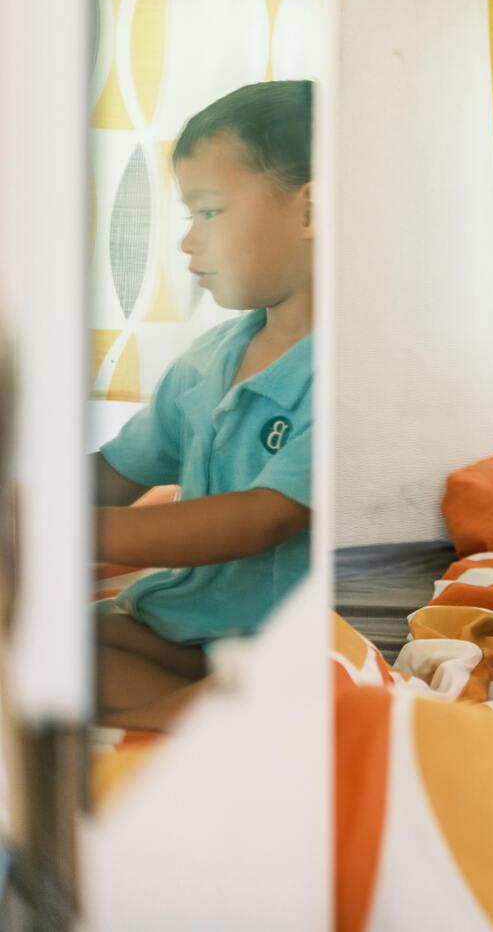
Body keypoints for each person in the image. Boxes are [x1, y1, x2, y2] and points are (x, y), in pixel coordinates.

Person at [94, 81, 316, 729]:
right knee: (41, 637)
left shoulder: (340, 366)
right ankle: (195, 713)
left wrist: (63, 533)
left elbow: (262, 518)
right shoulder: (209, 360)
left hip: (285, 638)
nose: (189, 241)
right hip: (187, 624)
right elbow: (117, 472)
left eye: (209, 212)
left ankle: (207, 724)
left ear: (311, 210)